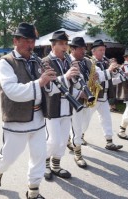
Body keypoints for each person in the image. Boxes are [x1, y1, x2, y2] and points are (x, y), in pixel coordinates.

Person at [0, 22, 57, 199]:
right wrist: (40, 82)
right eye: (26, 40)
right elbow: (12, 91)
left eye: (32, 41)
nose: (30, 45)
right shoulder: (6, 63)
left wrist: (52, 83)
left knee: (39, 157)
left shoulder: (36, 60)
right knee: (8, 158)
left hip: (38, 118)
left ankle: (33, 190)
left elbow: (46, 89)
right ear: (15, 41)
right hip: (16, 121)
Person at [42, 31, 81, 180]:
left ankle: (56, 165)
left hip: (68, 106)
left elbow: (76, 83)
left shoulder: (69, 61)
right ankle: (45, 163)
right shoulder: (46, 61)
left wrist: (78, 77)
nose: (65, 47)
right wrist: (66, 76)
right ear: (53, 45)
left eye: (66, 44)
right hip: (52, 106)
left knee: (64, 140)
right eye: (61, 44)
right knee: (53, 140)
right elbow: (49, 87)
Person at [67, 37, 99, 168]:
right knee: (77, 127)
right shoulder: (67, 62)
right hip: (75, 99)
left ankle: (71, 140)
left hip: (88, 98)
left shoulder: (87, 61)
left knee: (84, 125)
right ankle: (78, 154)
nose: (84, 51)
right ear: (73, 49)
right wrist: (80, 93)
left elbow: (93, 75)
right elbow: (65, 83)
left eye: (84, 48)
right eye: (81, 48)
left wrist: (96, 78)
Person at [88, 39, 123, 151]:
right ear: (93, 51)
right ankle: (77, 138)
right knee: (85, 120)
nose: (103, 52)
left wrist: (116, 70)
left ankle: (109, 142)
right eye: (100, 50)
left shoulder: (105, 62)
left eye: (104, 50)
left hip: (104, 96)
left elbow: (113, 77)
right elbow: (98, 76)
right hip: (94, 96)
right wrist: (110, 69)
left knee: (106, 119)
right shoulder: (90, 62)